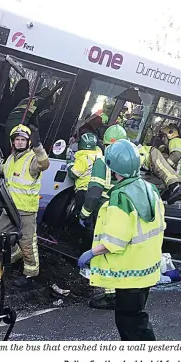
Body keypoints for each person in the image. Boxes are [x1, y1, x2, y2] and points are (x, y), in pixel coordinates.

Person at [77, 139, 164, 341]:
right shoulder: (151, 189)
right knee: (138, 318)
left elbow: (115, 242)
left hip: (129, 274)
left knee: (130, 322)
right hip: (147, 268)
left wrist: (91, 253)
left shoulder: (120, 197)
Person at [78, 125, 129, 310]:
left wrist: (84, 214)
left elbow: (93, 193)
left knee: (105, 252)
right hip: (126, 211)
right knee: (120, 251)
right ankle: (122, 290)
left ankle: (110, 296)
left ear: (106, 144)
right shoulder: (132, 161)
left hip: (106, 212)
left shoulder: (102, 161)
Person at [0, 124, 50, 288]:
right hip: (9, 208)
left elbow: (44, 164)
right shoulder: (12, 158)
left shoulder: (32, 158)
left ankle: (30, 274)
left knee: (27, 242)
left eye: (23, 140)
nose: (19, 142)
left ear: (28, 142)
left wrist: (39, 146)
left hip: (26, 210)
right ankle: (13, 254)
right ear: (13, 142)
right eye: (17, 140)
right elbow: (5, 169)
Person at [138, 138, 181, 203]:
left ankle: (175, 187)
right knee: (172, 175)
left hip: (151, 159)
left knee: (167, 173)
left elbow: (176, 156)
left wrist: (167, 165)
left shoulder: (173, 142)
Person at [67, 132, 102, 221]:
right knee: (89, 212)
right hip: (94, 189)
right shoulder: (98, 155)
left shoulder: (83, 158)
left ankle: (73, 228)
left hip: (83, 189)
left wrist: (69, 162)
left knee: (78, 212)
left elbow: (73, 174)